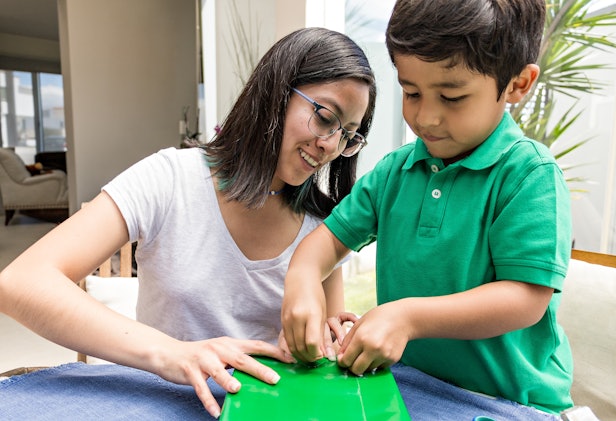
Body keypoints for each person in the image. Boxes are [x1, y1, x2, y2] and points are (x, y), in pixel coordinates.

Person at [0, 27, 376, 419]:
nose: (331, 145)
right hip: (156, 405)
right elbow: (21, 283)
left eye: (348, 135)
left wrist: (323, 343)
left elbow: (322, 357)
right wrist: (174, 354)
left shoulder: (324, 228)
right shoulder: (170, 179)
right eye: (326, 118)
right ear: (276, 93)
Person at [281, 0, 574, 417]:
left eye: (452, 97)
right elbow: (324, 244)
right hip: (410, 387)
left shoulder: (529, 175)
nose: (426, 117)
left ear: (517, 84)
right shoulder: (396, 172)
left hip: (509, 403)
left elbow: (526, 298)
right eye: (411, 92)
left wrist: (408, 317)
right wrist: (302, 278)